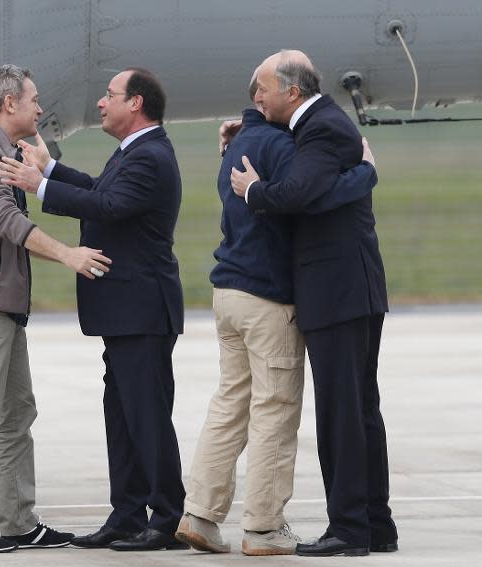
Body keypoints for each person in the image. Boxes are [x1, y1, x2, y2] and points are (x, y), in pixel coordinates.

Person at [175, 70, 379, 556]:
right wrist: (365, 173)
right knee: (274, 412)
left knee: (229, 407)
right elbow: (303, 195)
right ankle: (264, 528)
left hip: (226, 292)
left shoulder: (237, 146)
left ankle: (200, 515)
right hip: (267, 299)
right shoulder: (287, 148)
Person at [0, 67, 187, 552]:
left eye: (109, 95)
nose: (102, 103)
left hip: (142, 311)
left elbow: (109, 205)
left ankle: (166, 520)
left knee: (146, 417)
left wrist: (39, 186)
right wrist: (53, 171)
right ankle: (126, 515)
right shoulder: (135, 152)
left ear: (136, 104)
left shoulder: (150, 157)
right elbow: (102, 191)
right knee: (122, 417)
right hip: (123, 312)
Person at [0, 64, 110, 554]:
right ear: (9, 103)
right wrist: (68, 254)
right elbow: (4, 220)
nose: (39, 107)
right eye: (33, 99)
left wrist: (45, 168)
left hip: (2, 300)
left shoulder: (4, 150)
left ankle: (18, 521)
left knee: (16, 414)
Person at [231, 50, 399, 557]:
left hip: (337, 291)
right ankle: (374, 522)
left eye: (262, 88)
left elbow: (298, 194)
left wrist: (255, 190)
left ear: (292, 92)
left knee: (342, 412)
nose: (255, 97)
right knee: (360, 408)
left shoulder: (322, 128)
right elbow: (318, 191)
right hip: (351, 288)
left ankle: (349, 529)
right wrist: (363, 178)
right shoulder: (318, 126)